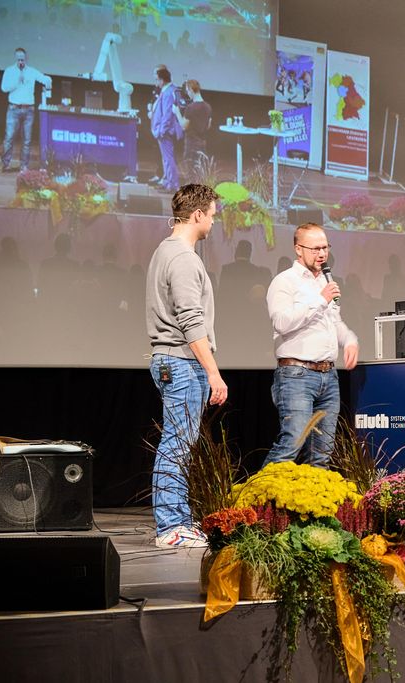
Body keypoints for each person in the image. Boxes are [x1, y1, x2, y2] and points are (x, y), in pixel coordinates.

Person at [146, 184, 228, 548]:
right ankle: (171, 527)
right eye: (211, 215)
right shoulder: (181, 257)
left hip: (175, 360)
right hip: (179, 361)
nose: (213, 222)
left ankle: (177, 520)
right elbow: (190, 320)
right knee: (177, 444)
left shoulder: (168, 250)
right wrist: (213, 372)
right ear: (197, 215)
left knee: (180, 442)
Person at [262, 223, 359, 468]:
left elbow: (334, 321)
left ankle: (313, 507)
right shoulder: (285, 281)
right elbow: (282, 322)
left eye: (325, 247)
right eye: (315, 248)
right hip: (297, 375)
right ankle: (255, 503)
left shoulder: (325, 282)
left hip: (329, 375)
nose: (322, 254)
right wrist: (320, 299)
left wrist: (348, 340)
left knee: (322, 452)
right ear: (298, 249)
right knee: (291, 443)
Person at [1, 47, 51, 172]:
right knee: (9, 138)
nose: (20, 62)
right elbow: (4, 88)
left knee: (27, 140)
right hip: (13, 109)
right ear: (15, 58)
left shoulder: (32, 71)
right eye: (18, 59)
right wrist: (17, 81)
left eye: (22, 59)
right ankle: (5, 164)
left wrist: (48, 81)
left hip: (28, 110)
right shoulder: (9, 71)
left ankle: (24, 166)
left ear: (26, 58)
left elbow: (44, 78)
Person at [150, 65, 183, 193]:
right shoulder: (168, 90)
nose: (155, 82)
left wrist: (161, 131)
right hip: (165, 131)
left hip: (166, 132)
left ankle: (173, 185)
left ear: (162, 80)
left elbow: (167, 114)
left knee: (169, 159)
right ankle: (167, 181)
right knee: (167, 159)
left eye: (156, 79)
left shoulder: (168, 92)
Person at [172, 79, 212, 181]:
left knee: (190, 173)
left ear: (190, 89)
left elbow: (184, 126)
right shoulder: (208, 107)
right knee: (200, 172)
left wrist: (177, 112)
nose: (188, 94)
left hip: (191, 145)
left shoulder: (190, 108)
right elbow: (208, 126)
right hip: (203, 144)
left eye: (188, 91)